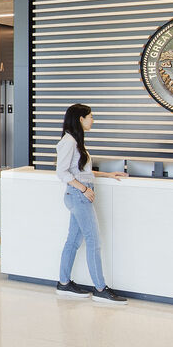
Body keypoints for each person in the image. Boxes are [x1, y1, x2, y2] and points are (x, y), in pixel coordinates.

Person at [54, 104, 128, 305]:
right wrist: (84, 189)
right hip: (78, 195)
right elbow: (62, 173)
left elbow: (81, 171)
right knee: (93, 241)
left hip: (78, 193)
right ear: (80, 119)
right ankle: (100, 288)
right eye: (90, 116)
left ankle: (63, 283)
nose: (92, 120)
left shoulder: (76, 141)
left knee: (74, 241)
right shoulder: (68, 141)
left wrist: (107, 174)